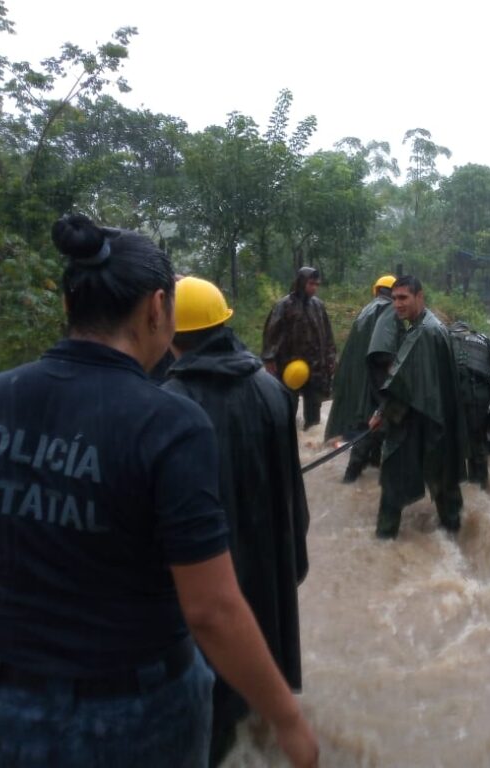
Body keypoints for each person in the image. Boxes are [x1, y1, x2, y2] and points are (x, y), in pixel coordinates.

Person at [0, 214, 318, 768]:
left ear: (68, 307)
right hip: (137, 713)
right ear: (157, 308)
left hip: (1, 708)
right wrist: (288, 718)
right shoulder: (169, 422)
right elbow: (211, 610)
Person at [162, 277, 311, 766]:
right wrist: (294, 562)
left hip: (207, 579)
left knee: (210, 714)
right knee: (256, 665)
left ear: (170, 334)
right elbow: (296, 500)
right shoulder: (271, 390)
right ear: (226, 321)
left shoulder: (168, 403)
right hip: (268, 568)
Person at [368, 276, 468, 539]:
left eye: (404, 298)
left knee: (393, 475)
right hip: (433, 415)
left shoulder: (423, 332)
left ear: (420, 297)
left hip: (421, 419)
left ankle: (384, 542)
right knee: (443, 478)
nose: (397, 305)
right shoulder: (431, 325)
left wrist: (381, 414)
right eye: (394, 299)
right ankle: (454, 538)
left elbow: (401, 383)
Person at [324, 275, 396, 483]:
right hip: (377, 381)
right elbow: (385, 354)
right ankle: (355, 474)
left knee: (367, 426)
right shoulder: (388, 311)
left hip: (358, 382)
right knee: (374, 426)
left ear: (377, 290)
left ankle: (357, 474)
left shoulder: (365, 311)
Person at [262, 267, 337, 431]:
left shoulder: (318, 305)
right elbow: (272, 332)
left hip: (315, 365)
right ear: (302, 282)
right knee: (288, 405)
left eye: (317, 284)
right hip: (289, 365)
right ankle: (288, 438)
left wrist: (331, 357)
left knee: (313, 407)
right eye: (311, 284)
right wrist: (269, 358)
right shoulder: (284, 305)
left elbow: (327, 334)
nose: (314, 288)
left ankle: (311, 440)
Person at [448, 320, 490, 489]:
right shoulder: (484, 339)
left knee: (451, 443)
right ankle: (481, 486)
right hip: (479, 397)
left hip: (453, 395)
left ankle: (457, 488)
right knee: (477, 442)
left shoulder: (445, 339)